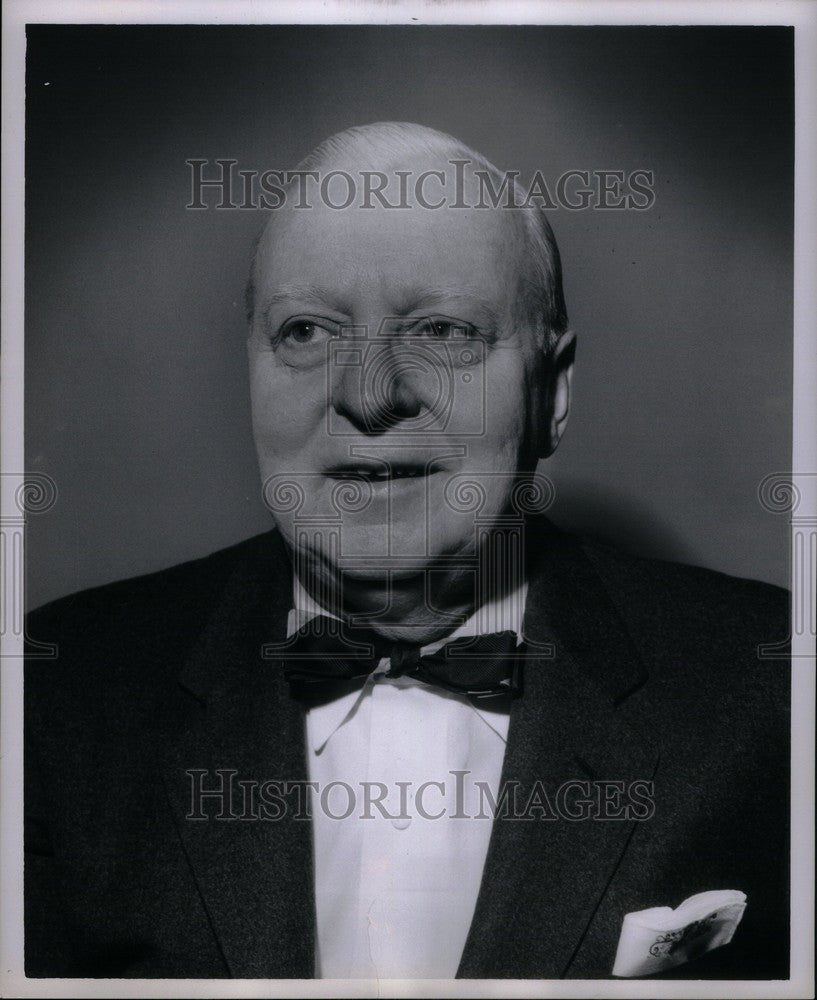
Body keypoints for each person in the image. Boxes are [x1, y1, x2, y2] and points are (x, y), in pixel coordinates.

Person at [25, 123, 789, 980]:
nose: (368, 395)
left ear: (552, 393)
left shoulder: (775, 695)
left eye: (441, 331)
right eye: (307, 331)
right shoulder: (48, 703)